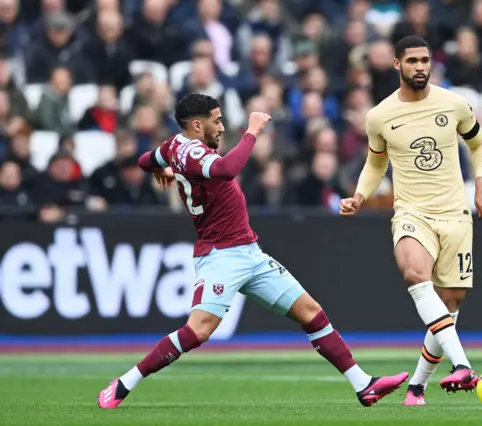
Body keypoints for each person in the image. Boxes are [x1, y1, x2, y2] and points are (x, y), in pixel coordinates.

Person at [97, 93, 408, 409]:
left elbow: (144, 160)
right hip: (221, 256)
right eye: (215, 121)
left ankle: (362, 385)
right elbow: (227, 169)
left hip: (249, 253)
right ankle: (124, 383)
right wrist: (252, 131)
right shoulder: (191, 152)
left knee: (311, 312)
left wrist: (160, 170)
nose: (220, 127)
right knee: (197, 331)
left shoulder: (173, 147)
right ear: (196, 124)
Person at [339, 36, 482, 406]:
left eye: (425, 60)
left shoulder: (454, 104)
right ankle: (464, 365)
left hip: (455, 212)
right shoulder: (379, 116)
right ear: (397, 65)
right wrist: (361, 195)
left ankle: (417, 387)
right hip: (411, 212)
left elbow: (479, 144)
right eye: (412, 61)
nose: (420, 67)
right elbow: (376, 163)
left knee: (449, 301)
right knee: (414, 274)